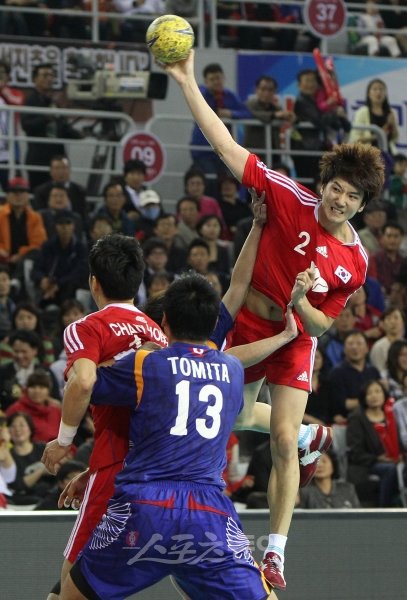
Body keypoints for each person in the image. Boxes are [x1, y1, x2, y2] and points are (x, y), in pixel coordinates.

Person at [163, 49, 385, 590]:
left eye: (352, 196)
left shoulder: (354, 262)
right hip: (249, 326)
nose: (340, 199)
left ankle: (276, 552)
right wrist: (187, 79)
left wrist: (302, 302)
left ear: (362, 205)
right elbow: (225, 145)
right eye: (336, 186)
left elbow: (321, 328)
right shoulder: (287, 197)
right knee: (236, 417)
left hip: (292, 339)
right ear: (325, 181)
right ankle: (315, 434)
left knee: (282, 442)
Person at [54, 274, 289, 600]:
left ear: (164, 320)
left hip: (145, 507)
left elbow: (87, 383)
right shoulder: (233, 371)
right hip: (209, 514)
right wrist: (288, 334)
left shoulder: (145, 363)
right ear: (211, 326)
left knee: (70, 594)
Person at [40, 233, 168, 600]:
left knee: (71, 582)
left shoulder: (87, 327)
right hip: (158, 470)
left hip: (116, 468)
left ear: (93, 282)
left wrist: (63, 442)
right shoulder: (157, 333)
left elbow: (83, 382)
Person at [21, 63, 82, 190]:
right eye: (44, 75)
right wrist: (46, 117)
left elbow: (63, 128)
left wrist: (81, 135)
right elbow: (27, 125)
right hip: (38, 158)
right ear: (34, 79)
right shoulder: (30, 100)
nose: (49, 79)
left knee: (60, 192)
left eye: (51, 75)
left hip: (58, 157)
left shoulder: (55, 102)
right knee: (39, 194)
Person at [347, 379, 406, 507]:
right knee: (390, 469)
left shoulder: (391, 415)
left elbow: (399, 441)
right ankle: (383, 509)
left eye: (378, 391)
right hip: (369, 463)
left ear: (384, 394)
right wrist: (378, 458)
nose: (374, 396)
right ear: (364, 397)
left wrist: (401, 455)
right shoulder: (357, 418)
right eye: (370, 393)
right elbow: (355, 452)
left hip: (394, 460)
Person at [326, 330, 381, 425]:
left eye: (359, 343)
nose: (354, 347)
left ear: (367, 348)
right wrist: (371, 401)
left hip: (375, 420)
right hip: (349, 422)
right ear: (344, 349)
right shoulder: (336, 373)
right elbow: (342, 404)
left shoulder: (373, 371)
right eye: (350, 344)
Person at [0, 176, 47, 279]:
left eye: (22, 192)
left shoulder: (35, 217)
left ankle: (15, 283)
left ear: (27, 195)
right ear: (7, 195)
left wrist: (20, 254)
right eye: (14, 192)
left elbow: (39, 243)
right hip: (2, 258)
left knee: (35, 254)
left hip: (23, 260)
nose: (18, 196)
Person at [7, 411, 55, 506]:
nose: (17, 429)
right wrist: (41, 471)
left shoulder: (43, 448)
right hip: (20, 502)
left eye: (22, 425)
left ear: (30, 428)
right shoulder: (8, 456)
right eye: (13, 426)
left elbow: (56, 469)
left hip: (48, 498)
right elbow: (18, 485)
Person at [244, 75, 295, 163]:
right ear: (256, 90)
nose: (266, 93)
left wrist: (291, 117)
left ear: (275, 92)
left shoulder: (277, 108)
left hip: (274, 153)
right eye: (263, 89)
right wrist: (275, 115)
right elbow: (255, 114)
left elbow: (286, 118)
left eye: (270, 90)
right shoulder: (249, 105)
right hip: (254, 154)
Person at [349, 79, 399, 157]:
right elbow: (355, 140)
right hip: (368, 157)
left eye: (381, 89)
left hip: (388, 155)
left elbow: (395, 139)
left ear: (385, 94)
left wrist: (393, 125)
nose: (378, 92)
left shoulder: (390, 112)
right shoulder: (362, 112)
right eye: (375, 89)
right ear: (369, 94)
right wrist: (378, 135)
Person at [32, 155, 88, 222]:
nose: (61, 172)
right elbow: (38, 215)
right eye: (57, 168)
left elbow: (83, 216)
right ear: (51, 171)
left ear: (70, 170)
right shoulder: (40, 191)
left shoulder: (80, 190)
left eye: (64, 168)